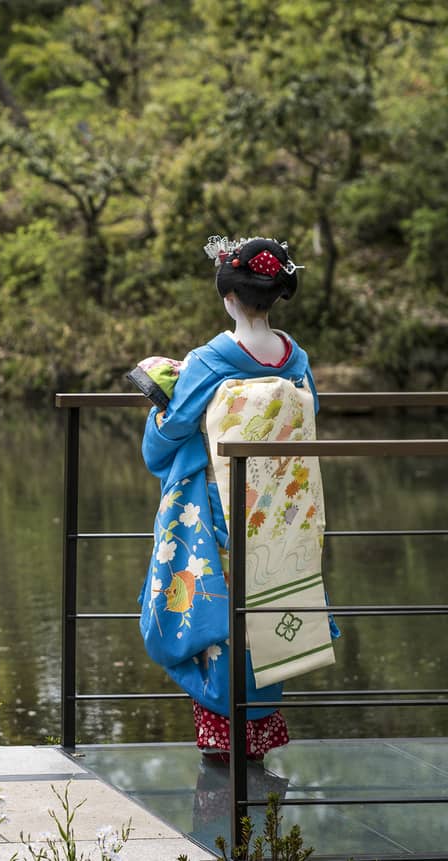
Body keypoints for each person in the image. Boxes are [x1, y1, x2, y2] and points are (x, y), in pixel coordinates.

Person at [135, 235, 333, 763]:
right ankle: (256, 741)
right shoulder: (296, 359)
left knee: (221, 624)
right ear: (274, 297)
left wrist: (162, 404)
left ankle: (221, 749)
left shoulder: (211, 359)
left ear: (228, 297)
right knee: (265, 614)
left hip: (222, 514)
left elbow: (168, 438)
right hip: (278, 515)